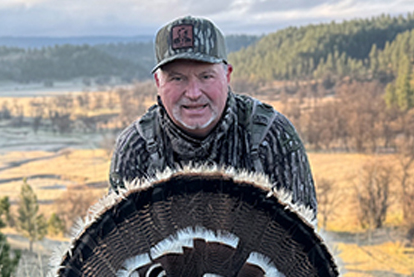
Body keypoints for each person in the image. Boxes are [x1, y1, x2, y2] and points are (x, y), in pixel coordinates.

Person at [109, 16, 318, 215]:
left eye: (206, 76)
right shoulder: (135, 147)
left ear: (227, 75)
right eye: (177, 78)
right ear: (158, 82)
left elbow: (302, 237)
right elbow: (119, 238)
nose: (193, 93)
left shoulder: (271, 135)